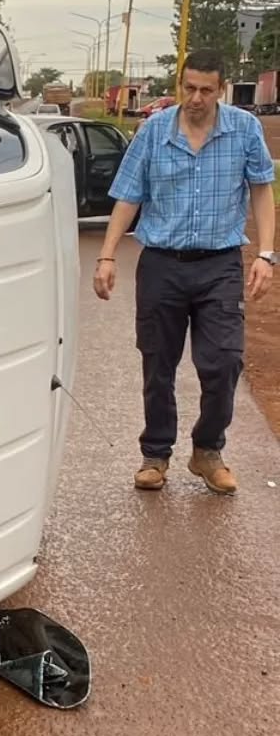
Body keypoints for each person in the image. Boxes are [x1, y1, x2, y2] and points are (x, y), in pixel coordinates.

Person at [93, 48, 276, 494]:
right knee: (158, 364)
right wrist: (107, 255)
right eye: (189, 88)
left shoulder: (244, 129)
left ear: (221, 89)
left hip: (219, 265)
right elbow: (128, 197)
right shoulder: (154, 131)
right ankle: (155, 455)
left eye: (206, 90)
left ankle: (207, 451)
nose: (196, 98)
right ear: (180, 85)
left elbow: (261, 190)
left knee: (224, 362)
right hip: (161, 266)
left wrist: (267, 255)